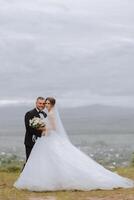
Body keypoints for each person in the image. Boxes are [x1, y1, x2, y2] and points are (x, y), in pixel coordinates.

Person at [14, 97, 134, 191]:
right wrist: (42, 128)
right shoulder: (33, 113)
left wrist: (44, 129)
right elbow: (30, 128)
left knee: (53, 159)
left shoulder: (49, 114)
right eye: (43, 103)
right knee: (40, 160)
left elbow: (53, 128)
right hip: (39, 140)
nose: (45, 105)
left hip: (48, 138)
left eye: (46, 104)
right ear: (37, 103)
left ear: (52, 105)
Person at [24, 96, 47, 162]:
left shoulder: (45, 114)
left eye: (43, 104)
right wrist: (41, 133)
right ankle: (25, 172)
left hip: (41, 143)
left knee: (39, 162)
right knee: (30, 161)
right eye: (40, 103)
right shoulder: (29, 113)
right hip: (31, 142)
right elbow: (28, 128)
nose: (42, 105)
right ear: (36, 103)